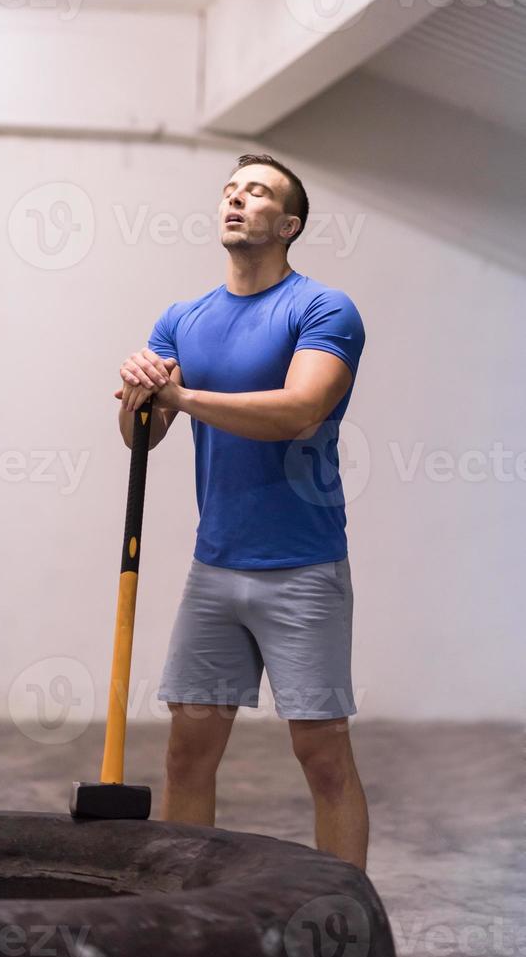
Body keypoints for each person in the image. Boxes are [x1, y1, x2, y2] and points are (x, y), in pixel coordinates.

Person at [114, 153, 369, 871]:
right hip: (215, 567)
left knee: (321, 756)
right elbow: (142, 436)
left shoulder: (322, 309)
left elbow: (298, 410)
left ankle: (345, 918)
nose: (236, 200)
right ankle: (185, 915)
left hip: (304, 569)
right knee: (187, 753)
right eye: (230, 191)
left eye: (256, 192)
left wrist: (183, 397)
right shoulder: (183, 318)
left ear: (288, 224)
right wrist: (138, 391)